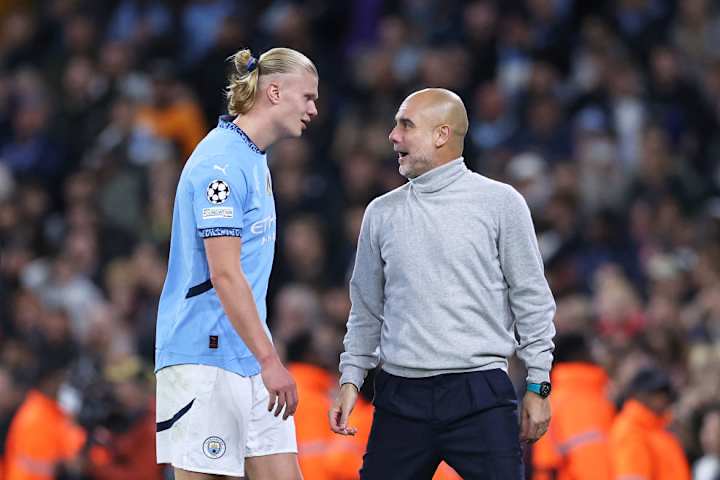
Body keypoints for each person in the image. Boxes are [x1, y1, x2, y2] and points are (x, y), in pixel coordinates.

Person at [329, 88, 556, 479]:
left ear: (441, 134)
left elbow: (532, 300)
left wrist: (538, 386)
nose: (393, 136)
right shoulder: (380, 214)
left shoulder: (501, 203)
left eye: (405, 125)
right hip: (401, 394)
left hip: (479, 392)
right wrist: (351, 378)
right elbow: (366, 308)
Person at [154, 47, 318, 480]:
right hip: (203, 357)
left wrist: (262, 356)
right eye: (308, 98)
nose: (314, 110)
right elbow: (225, 274)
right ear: (276, 92)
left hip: (246, 355)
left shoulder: (253, 158)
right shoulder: (220, 165)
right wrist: (270, 360)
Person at [531, 332, 615, 480]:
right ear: (577, 354)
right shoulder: (600, 396)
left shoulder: (551, 401)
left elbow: (544, 465)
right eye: (590, 347)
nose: (596, 353)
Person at [609, 367, 691, 480]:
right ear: (639, 395)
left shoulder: (660, 429)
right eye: (655, 393)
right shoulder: (630, 429)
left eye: (664, 393)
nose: (663, 398)